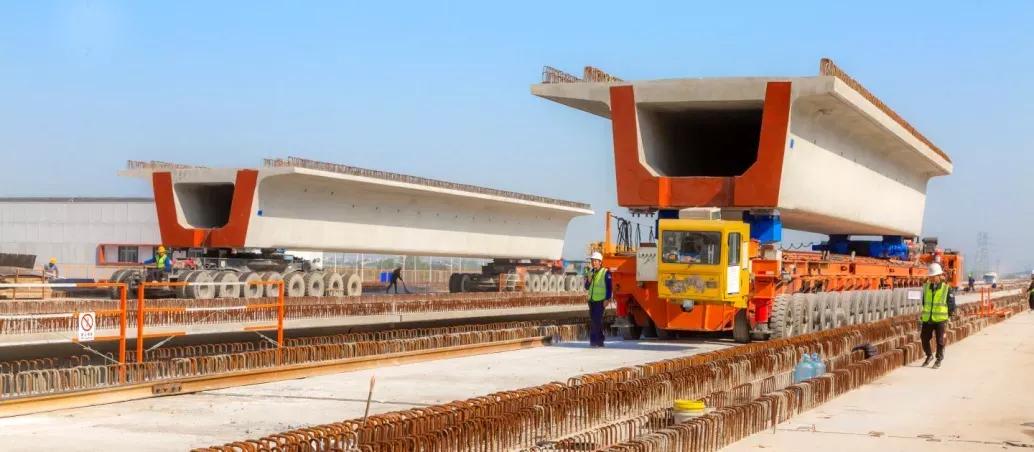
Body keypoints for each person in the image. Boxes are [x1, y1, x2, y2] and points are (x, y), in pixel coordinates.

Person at [920, 263, 956, 369]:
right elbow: (924, 302)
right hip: (928, 318)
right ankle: (929, 355)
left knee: (940, 340)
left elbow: (951, 304)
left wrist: (949, 315)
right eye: (930, 277)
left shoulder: (946, 289)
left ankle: (939, 359)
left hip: (940, 319)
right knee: (924, 338)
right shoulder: (926, 288)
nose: (931, 278)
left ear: (939, 275)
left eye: (933, 276)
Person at [584, 251, 611, 348]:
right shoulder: (591, 272)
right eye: (592, 261)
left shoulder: (605, 272)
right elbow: (587, 287)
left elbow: (609, 287)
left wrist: (607, 299)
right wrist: (589, 280)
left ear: (600, 262)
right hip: (591, 301)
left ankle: (594, 341)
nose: (593, 263)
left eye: (595, 261)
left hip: (600, 301)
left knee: (596, 320)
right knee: (594, 321)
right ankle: (599, 341)